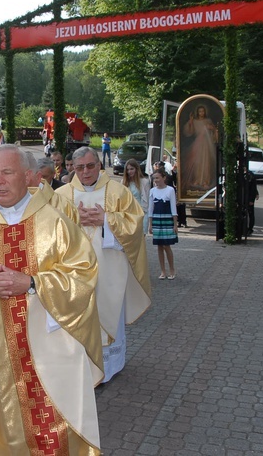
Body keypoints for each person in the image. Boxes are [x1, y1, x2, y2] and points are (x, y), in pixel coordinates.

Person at [0, 144, 104, 454]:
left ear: (27, 177)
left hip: (48, 348)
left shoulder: (55, 224)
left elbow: (83, 275)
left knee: (53, 427)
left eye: (7, 173)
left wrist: (30, 282)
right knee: (2, 425)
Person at [56, 146, 152, 383]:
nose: (85, 172)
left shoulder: (118, 192)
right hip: (74, 273)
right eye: (79, 168)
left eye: (90, 166)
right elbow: (51, 232)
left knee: (107, 313)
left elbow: (135, 225)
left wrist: (106, 221)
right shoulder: (62, 195)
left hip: (109, 270)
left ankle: (108, 369)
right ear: (73, 168)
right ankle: (80, 367)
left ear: (99, 165)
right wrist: (73, 222)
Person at [26, 152, 78, 222]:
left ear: (53, 174)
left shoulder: (64, 189)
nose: (40, 180)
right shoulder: (29, 191)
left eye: (44, 177)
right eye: (37, 176)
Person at [148, 167, 178, 280]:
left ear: (164, 178)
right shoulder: (152, 191)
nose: (156, 180)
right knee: (159, 245)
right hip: (156, 220)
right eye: (154, 178)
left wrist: (175, 224)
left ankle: (172, 270)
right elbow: (151, 209)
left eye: (158, 178)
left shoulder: (170, 190)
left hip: (167, 220)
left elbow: (173, 208)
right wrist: (150, 224)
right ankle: (163, 271)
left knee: (167, 245)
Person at [182, 104, 218, 190]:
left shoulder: (208, 120)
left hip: (206, 144)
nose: (201, 113)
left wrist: (211, 128)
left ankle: (206, 181)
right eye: (200, 111)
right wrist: (190, 122)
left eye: (203, 111)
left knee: (205, 162)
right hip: (198, 142)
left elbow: (214, 130)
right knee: (197, 162)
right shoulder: (194, 121)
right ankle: (197, 180)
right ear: (197, 112)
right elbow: (189, 132)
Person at [122, 158, 150, 234]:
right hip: (128, 215)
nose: (129, 172)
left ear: (136, 169)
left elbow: (147, 200)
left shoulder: (145, 182)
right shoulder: (124, 182)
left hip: (141, 214)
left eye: (132, 169)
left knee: (140, 241)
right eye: (127, 170)